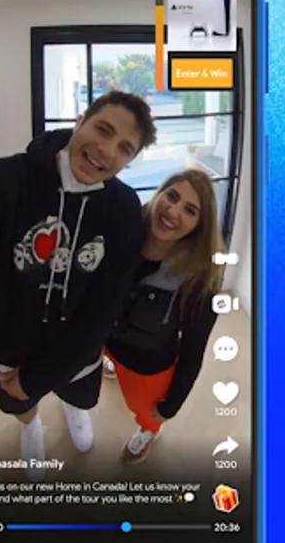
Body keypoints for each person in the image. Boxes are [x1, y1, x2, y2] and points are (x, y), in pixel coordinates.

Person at [0, 91, 156, 479]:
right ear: (79, 121)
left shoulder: (123, 209)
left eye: (124, 148)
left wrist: (39, 377)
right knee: (17, 401)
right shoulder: (3, 182)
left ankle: (72, 408)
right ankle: (31, 426)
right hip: (8, 341)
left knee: (80, 394)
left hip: (76, 349)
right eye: (103, 130)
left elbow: (105, 306)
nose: (107, 151)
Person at [104, 170, 224, 464]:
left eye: (190, 210)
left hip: (147, 366)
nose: (173, 211)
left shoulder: (199, 278)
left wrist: (170, 406)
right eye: (172, 196)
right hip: (106, 341)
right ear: (159, 193)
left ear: (200, 225)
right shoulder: (125, 232)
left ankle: (148, 431)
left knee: (145, 411)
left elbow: (193, 351)